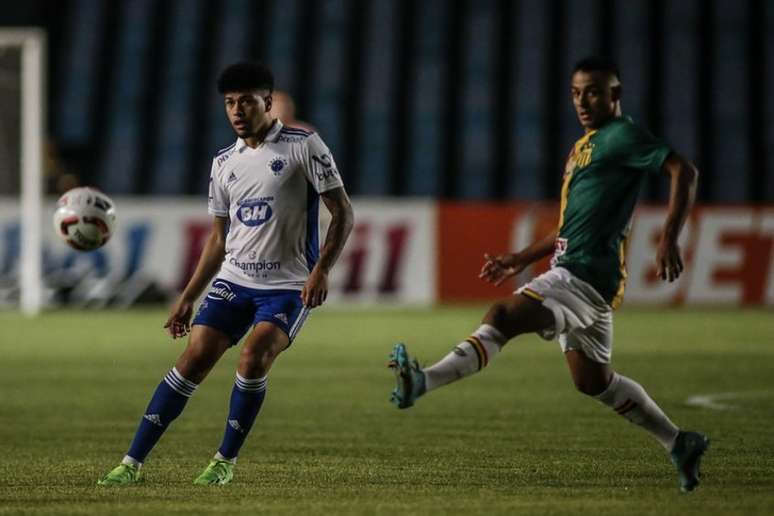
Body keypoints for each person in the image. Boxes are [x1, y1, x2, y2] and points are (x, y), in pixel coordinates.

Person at [389, 56, 707, 492]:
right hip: (584, 279)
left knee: (501, 316)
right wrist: (521, 258)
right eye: (576, 92)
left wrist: (670, 236)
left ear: (614, 95)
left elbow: (683, 170)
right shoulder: (583, 147)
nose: (582, 100)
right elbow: (568, 224)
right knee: (594, 382)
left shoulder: (623, 136)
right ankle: (678, 441)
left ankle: (423, 382)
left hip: (582, 276)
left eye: (593, 91)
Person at [98, 62, 354, 485]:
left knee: (253, 357)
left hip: (288, 285)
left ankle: (223, 461)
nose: (237, 111)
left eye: (246, 102)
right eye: (230, 103)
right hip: (234, 279)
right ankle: (131, 463)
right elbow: (218, 239)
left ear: (268, 102)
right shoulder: (223, 163)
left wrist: (322, 270)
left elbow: (342, 211)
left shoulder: (303, 145)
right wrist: (187, 296)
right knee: (193, 359)